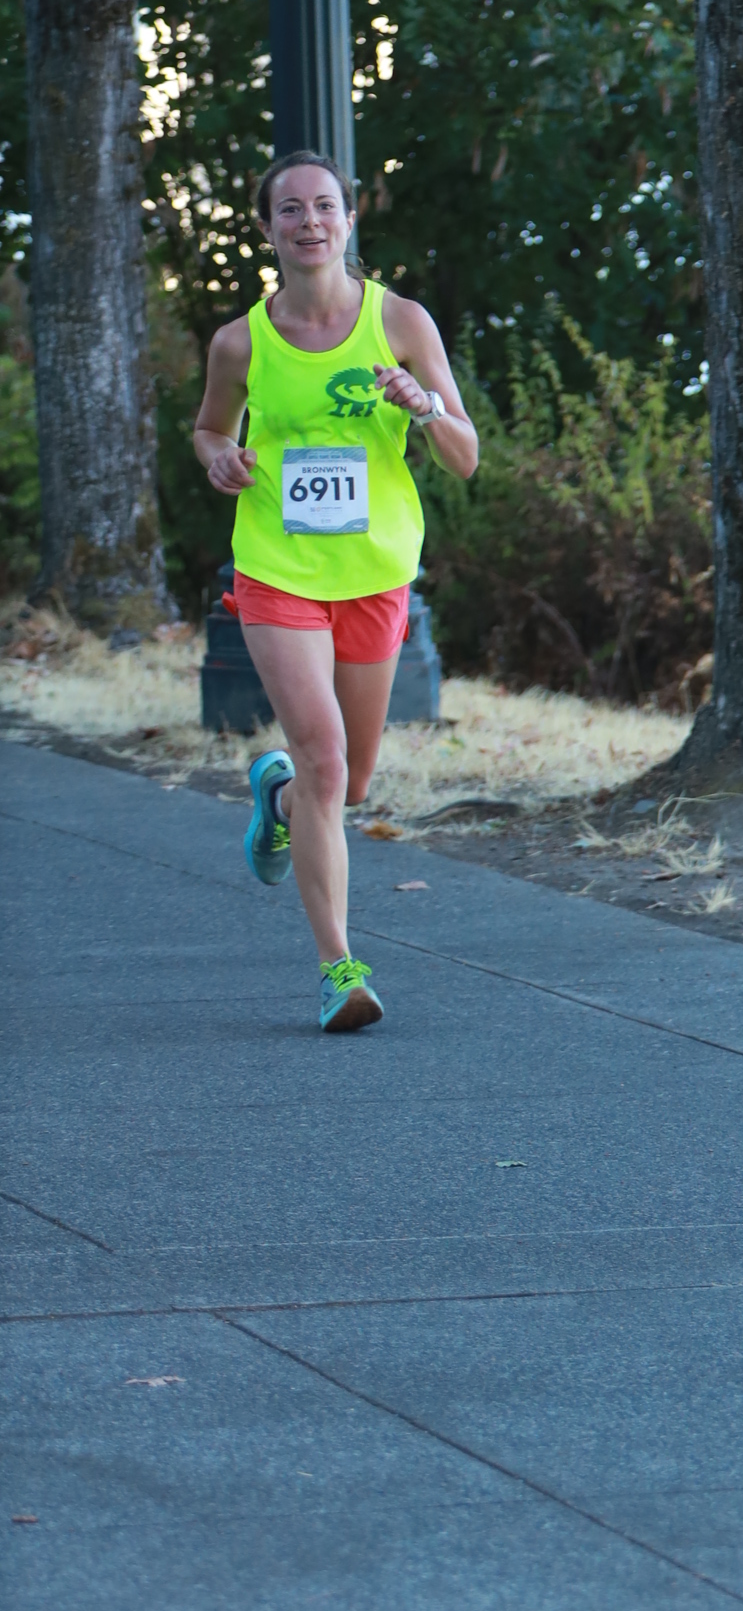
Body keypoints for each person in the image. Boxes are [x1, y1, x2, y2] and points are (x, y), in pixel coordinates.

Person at [191, 152, 477, 1032]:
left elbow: (465, 457)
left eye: (324, 206)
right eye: (290, 209)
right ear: (267, 228)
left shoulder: (400, 321)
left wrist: (423, 405)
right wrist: (221, 460)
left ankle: (275, 801)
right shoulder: (241, 341)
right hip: (278, 568)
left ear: (350, 219)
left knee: (347, 786)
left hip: (375, 573)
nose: (309, 221)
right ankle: (338, 970)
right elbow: (209, 430)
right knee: (322, 758)